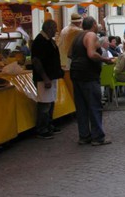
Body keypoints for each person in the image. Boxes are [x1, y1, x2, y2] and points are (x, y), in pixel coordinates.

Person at [70, 17, 114, 146]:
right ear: (94, 24)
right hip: (88, 75)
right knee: (94, 106)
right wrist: (105, 60)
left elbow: (69, 54)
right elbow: (91, 54)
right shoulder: (91, 35)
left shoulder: (78, 36)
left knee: (81, 107)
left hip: (76, 73)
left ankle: (84, 136)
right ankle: (98, 137)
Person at [31, 20, 64, 139]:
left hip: (52, 76)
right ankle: (42, 128)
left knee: (50, 102)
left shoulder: (49, 40)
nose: (56, 30)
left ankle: (49, 125)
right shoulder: (39, 41)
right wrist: (45, 78)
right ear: (48, 28)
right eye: (54, 28)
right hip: (44, 78)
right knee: (44, 104)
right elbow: (36, 61)